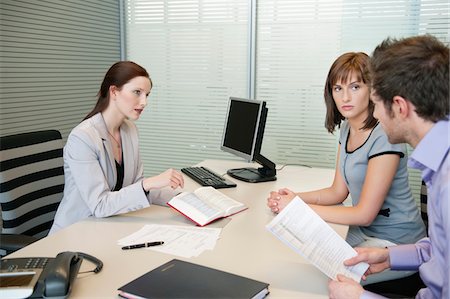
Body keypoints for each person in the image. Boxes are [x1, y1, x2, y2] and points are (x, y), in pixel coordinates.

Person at [267, 52, 426, 283]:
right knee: (300, 258)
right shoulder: (347, 129)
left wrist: (298, 208)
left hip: (396, 241)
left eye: (355, 87)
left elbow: (364, 214)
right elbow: (337, 192)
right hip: (365, 233)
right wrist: (293, 198)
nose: (345, 97)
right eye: (337, 89)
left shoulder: (385, 134)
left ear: (371, 90)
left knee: (328, 281)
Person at [328, 35, 449, 299]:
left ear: (399, 107)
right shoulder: (438, 164)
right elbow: (441, 249)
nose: (376, 115)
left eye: (376, 103)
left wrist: (359, 298)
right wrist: (390, 256)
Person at [50, 61, 184, 234]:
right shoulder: (82, 137)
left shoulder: (130, 130)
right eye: (137, 92)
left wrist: (183, 200)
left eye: (147, 95)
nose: (144, 102)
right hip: (77, 231)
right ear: (114, 91)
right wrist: (150, 182)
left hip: (110, 225)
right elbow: (100, 205)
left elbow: (134, 187)